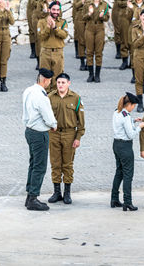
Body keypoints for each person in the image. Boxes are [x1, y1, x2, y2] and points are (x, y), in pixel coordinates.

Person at [22, 68, 57, 211]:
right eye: (49, 81)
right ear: (46, 80)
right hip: (39, 133)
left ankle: (29, 194)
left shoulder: (28, 90)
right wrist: (54, 125)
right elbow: (48, 116)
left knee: (33, 163)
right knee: (40, 166)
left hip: (29, 131)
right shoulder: (42, 96)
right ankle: (33, 198)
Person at [48, 73, 85, 205]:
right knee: (55, 163)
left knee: (68, 164)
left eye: (63, 82)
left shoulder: (75, 98)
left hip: (69, 134)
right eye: (58, 83)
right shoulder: (50, 97)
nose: (60, 85)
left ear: (69, 83)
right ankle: (57, 192)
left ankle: (67, 192)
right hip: (54, 133)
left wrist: (78, 137)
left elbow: (81, 121)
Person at [111, 92, 144, 211]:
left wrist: (133, 121)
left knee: (119, 172)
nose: (134, 108)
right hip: (125, 146)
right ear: (129, 104)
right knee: (128, 174)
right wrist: (139, 127)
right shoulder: (125, 116)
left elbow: (122, 125)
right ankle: (127, 201)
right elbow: (131, 135)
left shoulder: (118, 112)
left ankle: (114, 198)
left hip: (116, 144)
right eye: (133, 106)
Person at [37, 0, 68, 93]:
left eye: (58, 10)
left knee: (57, 78)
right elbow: (41, 36)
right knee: (44, 77)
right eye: (53, 9)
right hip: (45, 52)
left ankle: (55, 100)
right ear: (49, 10)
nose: (56, 12)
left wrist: (55, 28)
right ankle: (43, 99)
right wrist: (48, 27)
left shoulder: (63, 22)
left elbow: (64, 35)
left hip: (58, 53)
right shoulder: (42, 22)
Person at [83, 0, 110, 83]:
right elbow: (83, 17)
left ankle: (97, 75)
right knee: (89, 51)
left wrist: (103, 16)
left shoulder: (104, 4)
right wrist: (89, 13)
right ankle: (91, 74)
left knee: (99, 52)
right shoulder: (87, 4)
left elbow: (107, 18)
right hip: (89, 28)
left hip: (99, 28)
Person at [32, 0, 55, 70]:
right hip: (42, 23)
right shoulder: (41, 2)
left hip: (52, 22)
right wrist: (45, 11)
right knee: (39, 42)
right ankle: (39, 61)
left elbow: (60, 13)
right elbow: (39, 14)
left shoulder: (55, 2)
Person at [73, 0, 87, 70]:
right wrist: (82, 1)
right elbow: (75, 5)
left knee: (89, 39)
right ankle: (82, 62)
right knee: (81, 39)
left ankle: (88, 62)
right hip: (80, 16)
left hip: (90, 16)